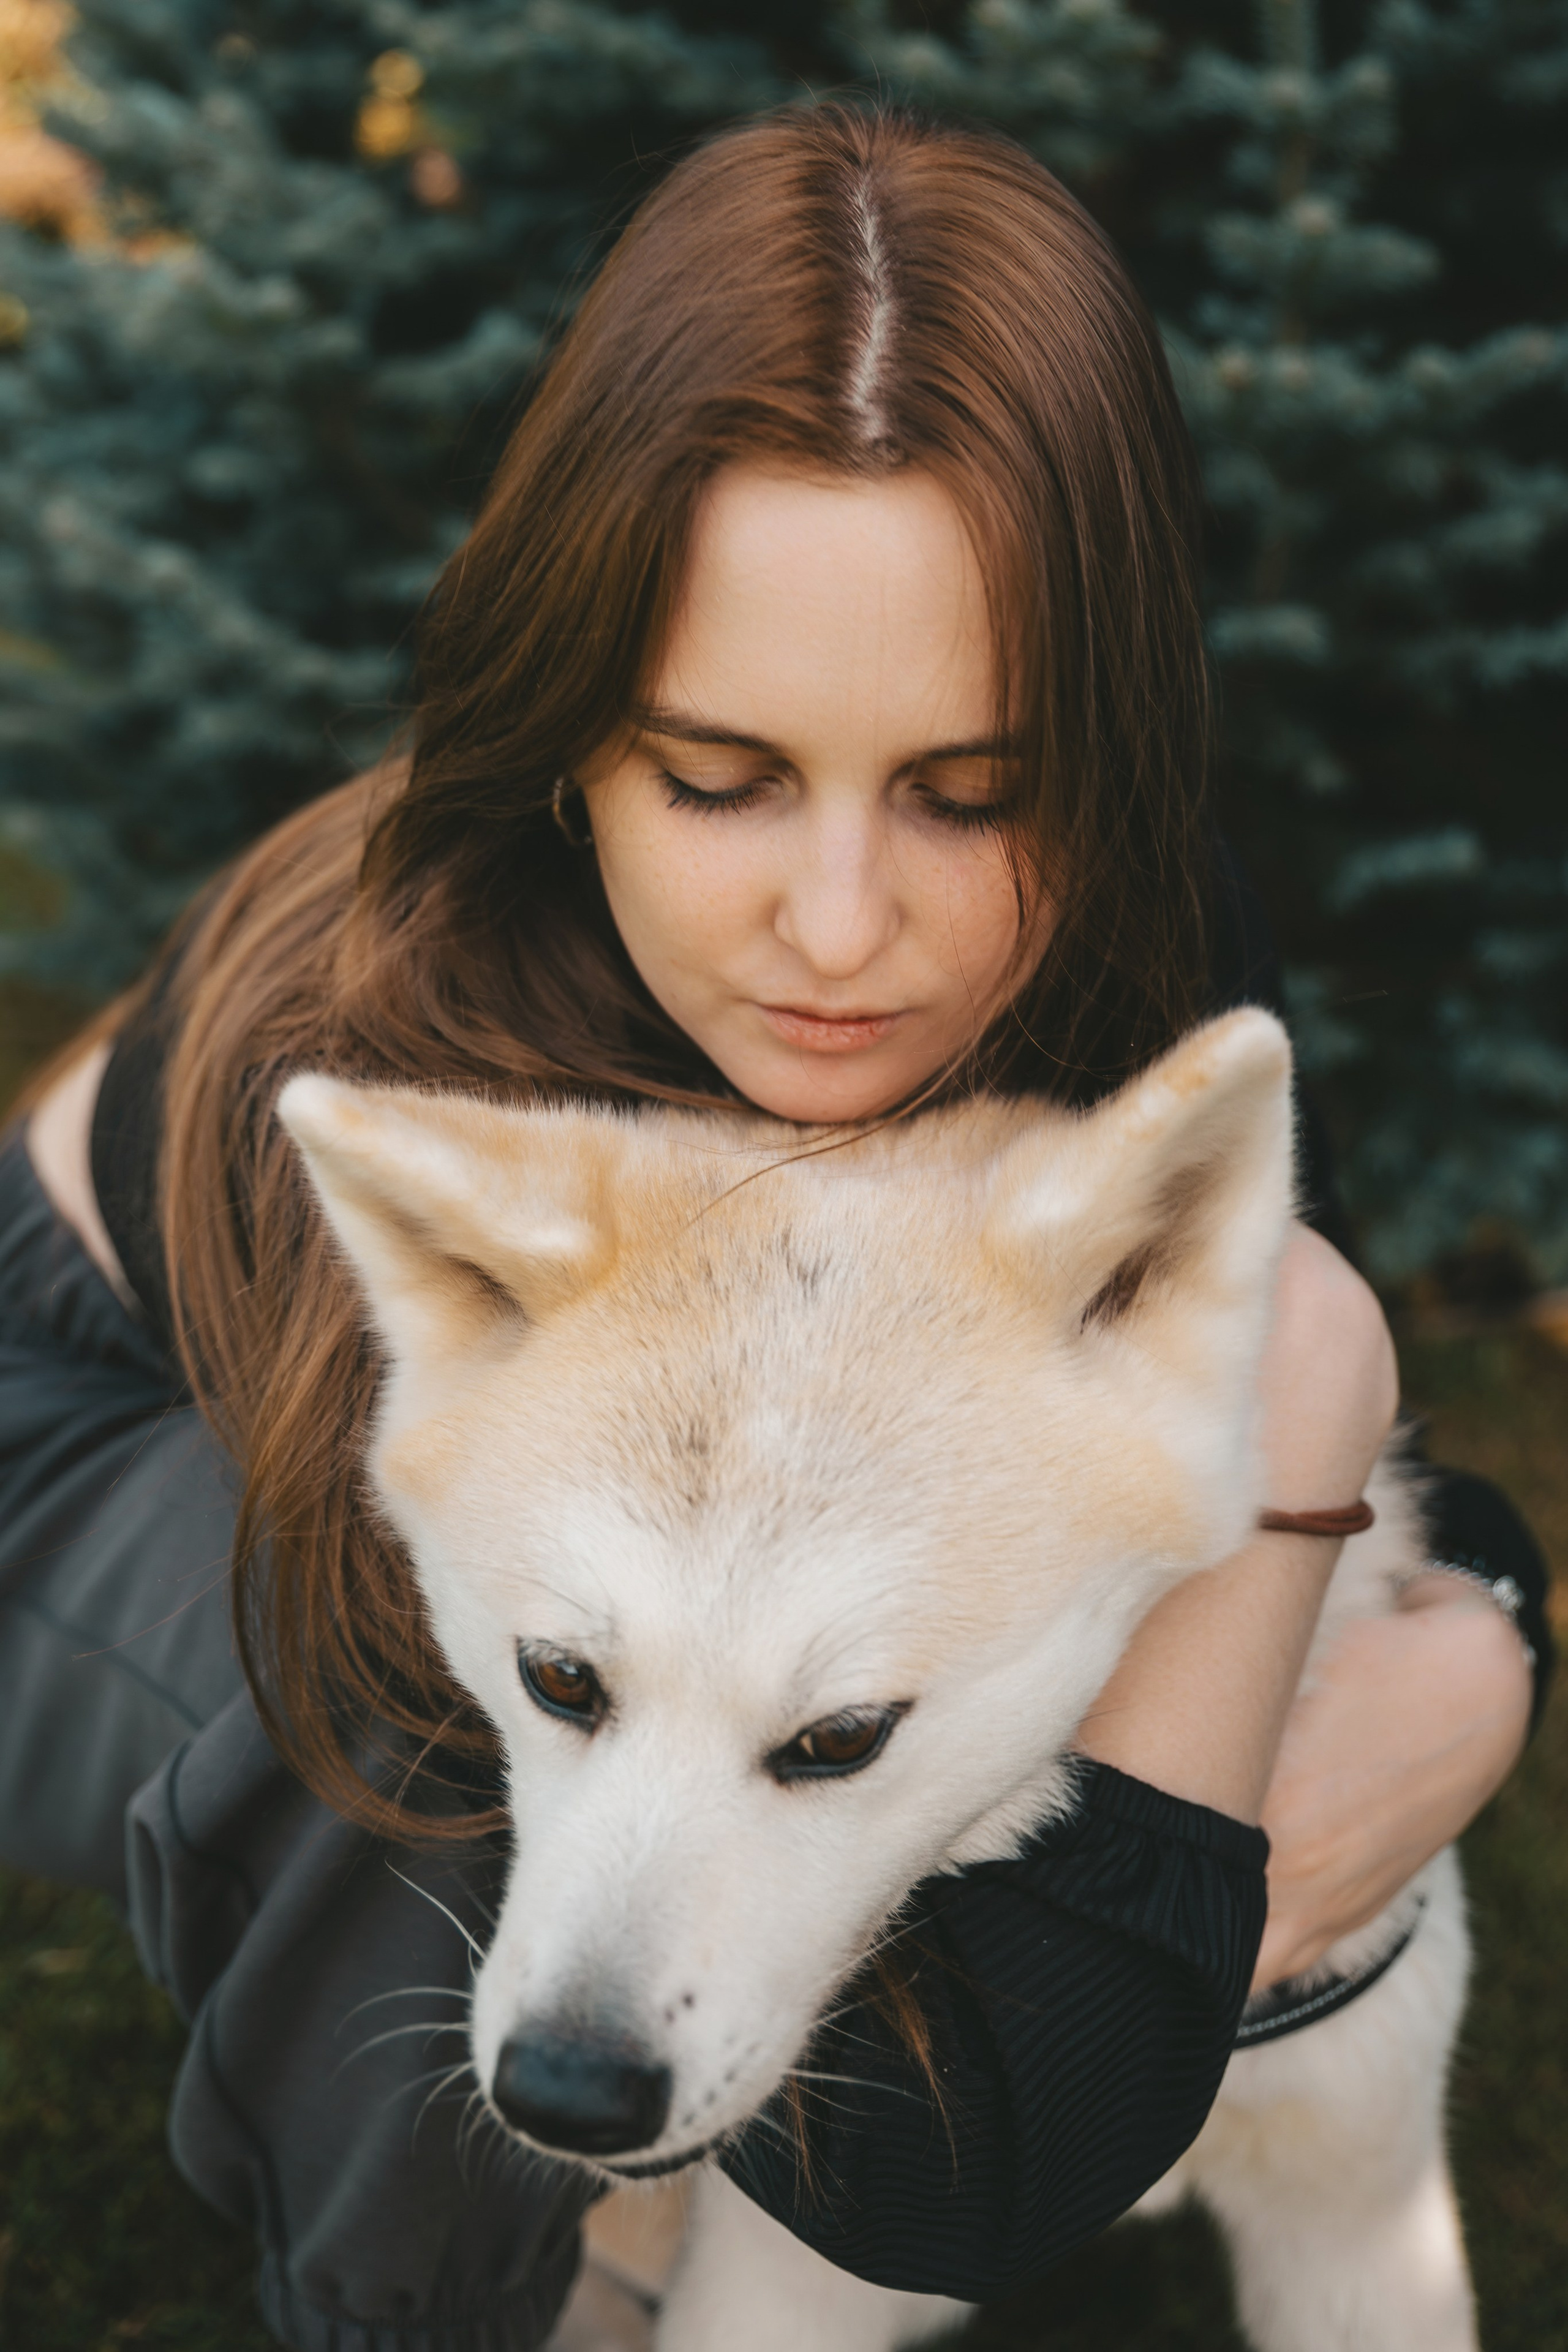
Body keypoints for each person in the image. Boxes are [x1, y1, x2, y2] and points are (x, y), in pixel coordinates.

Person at [1, 104, 1549, 2352]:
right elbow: (972, 2165)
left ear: (1098, 764)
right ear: (569, 742)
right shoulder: (394, 1062)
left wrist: (1481, 1627)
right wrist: (1296, 1489)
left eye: (971, 787)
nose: (845, 933)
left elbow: (1201, 1419)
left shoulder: (1132, 948)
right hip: (76, 1404)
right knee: (445, 1755)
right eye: (718, 779)